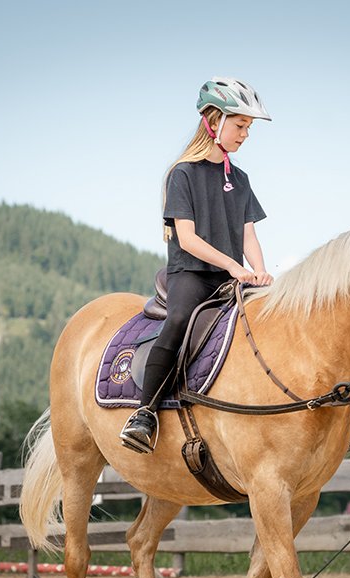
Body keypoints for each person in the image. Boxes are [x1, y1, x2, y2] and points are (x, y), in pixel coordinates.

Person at [119, 77, 274, 454]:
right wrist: (233, 266)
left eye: (248, 128)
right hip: (190, 274)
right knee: (178, 321)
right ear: (214, 120)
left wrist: (260, 270)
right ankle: (144, 413)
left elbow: (248, 235)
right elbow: (186, 239)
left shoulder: (240, 179)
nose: (245, 134)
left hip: (231, 277)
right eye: (240, 125)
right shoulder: (183, 174)